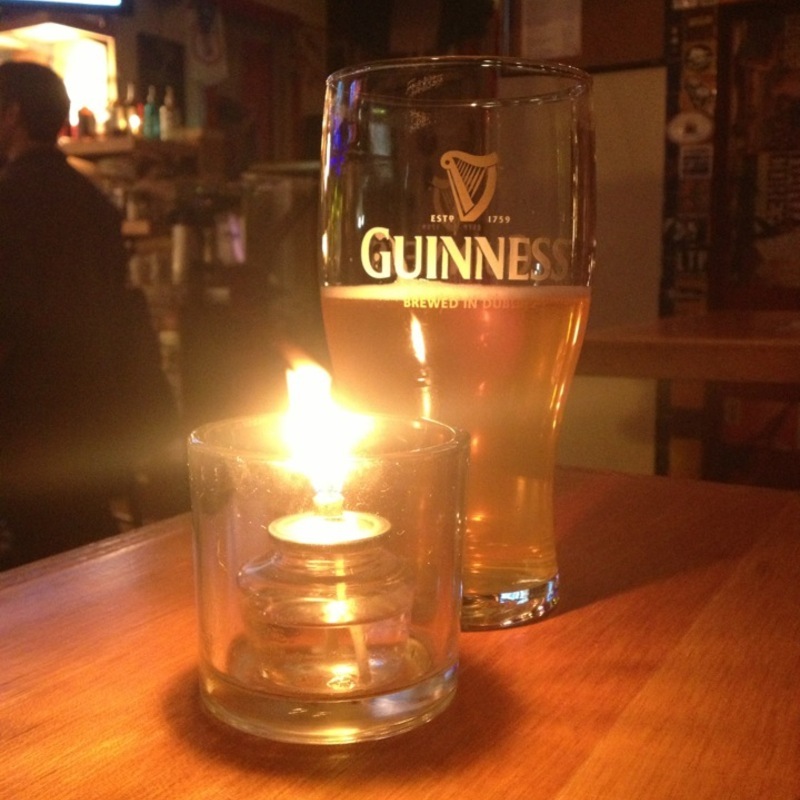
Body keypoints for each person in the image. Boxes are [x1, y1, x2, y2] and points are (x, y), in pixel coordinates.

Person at [0, 60, 184, 569]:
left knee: (35, 558)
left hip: (24, 422)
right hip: (95, 412)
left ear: (13, 114)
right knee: (82, 540)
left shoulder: (7, 198)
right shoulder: (94, 201)